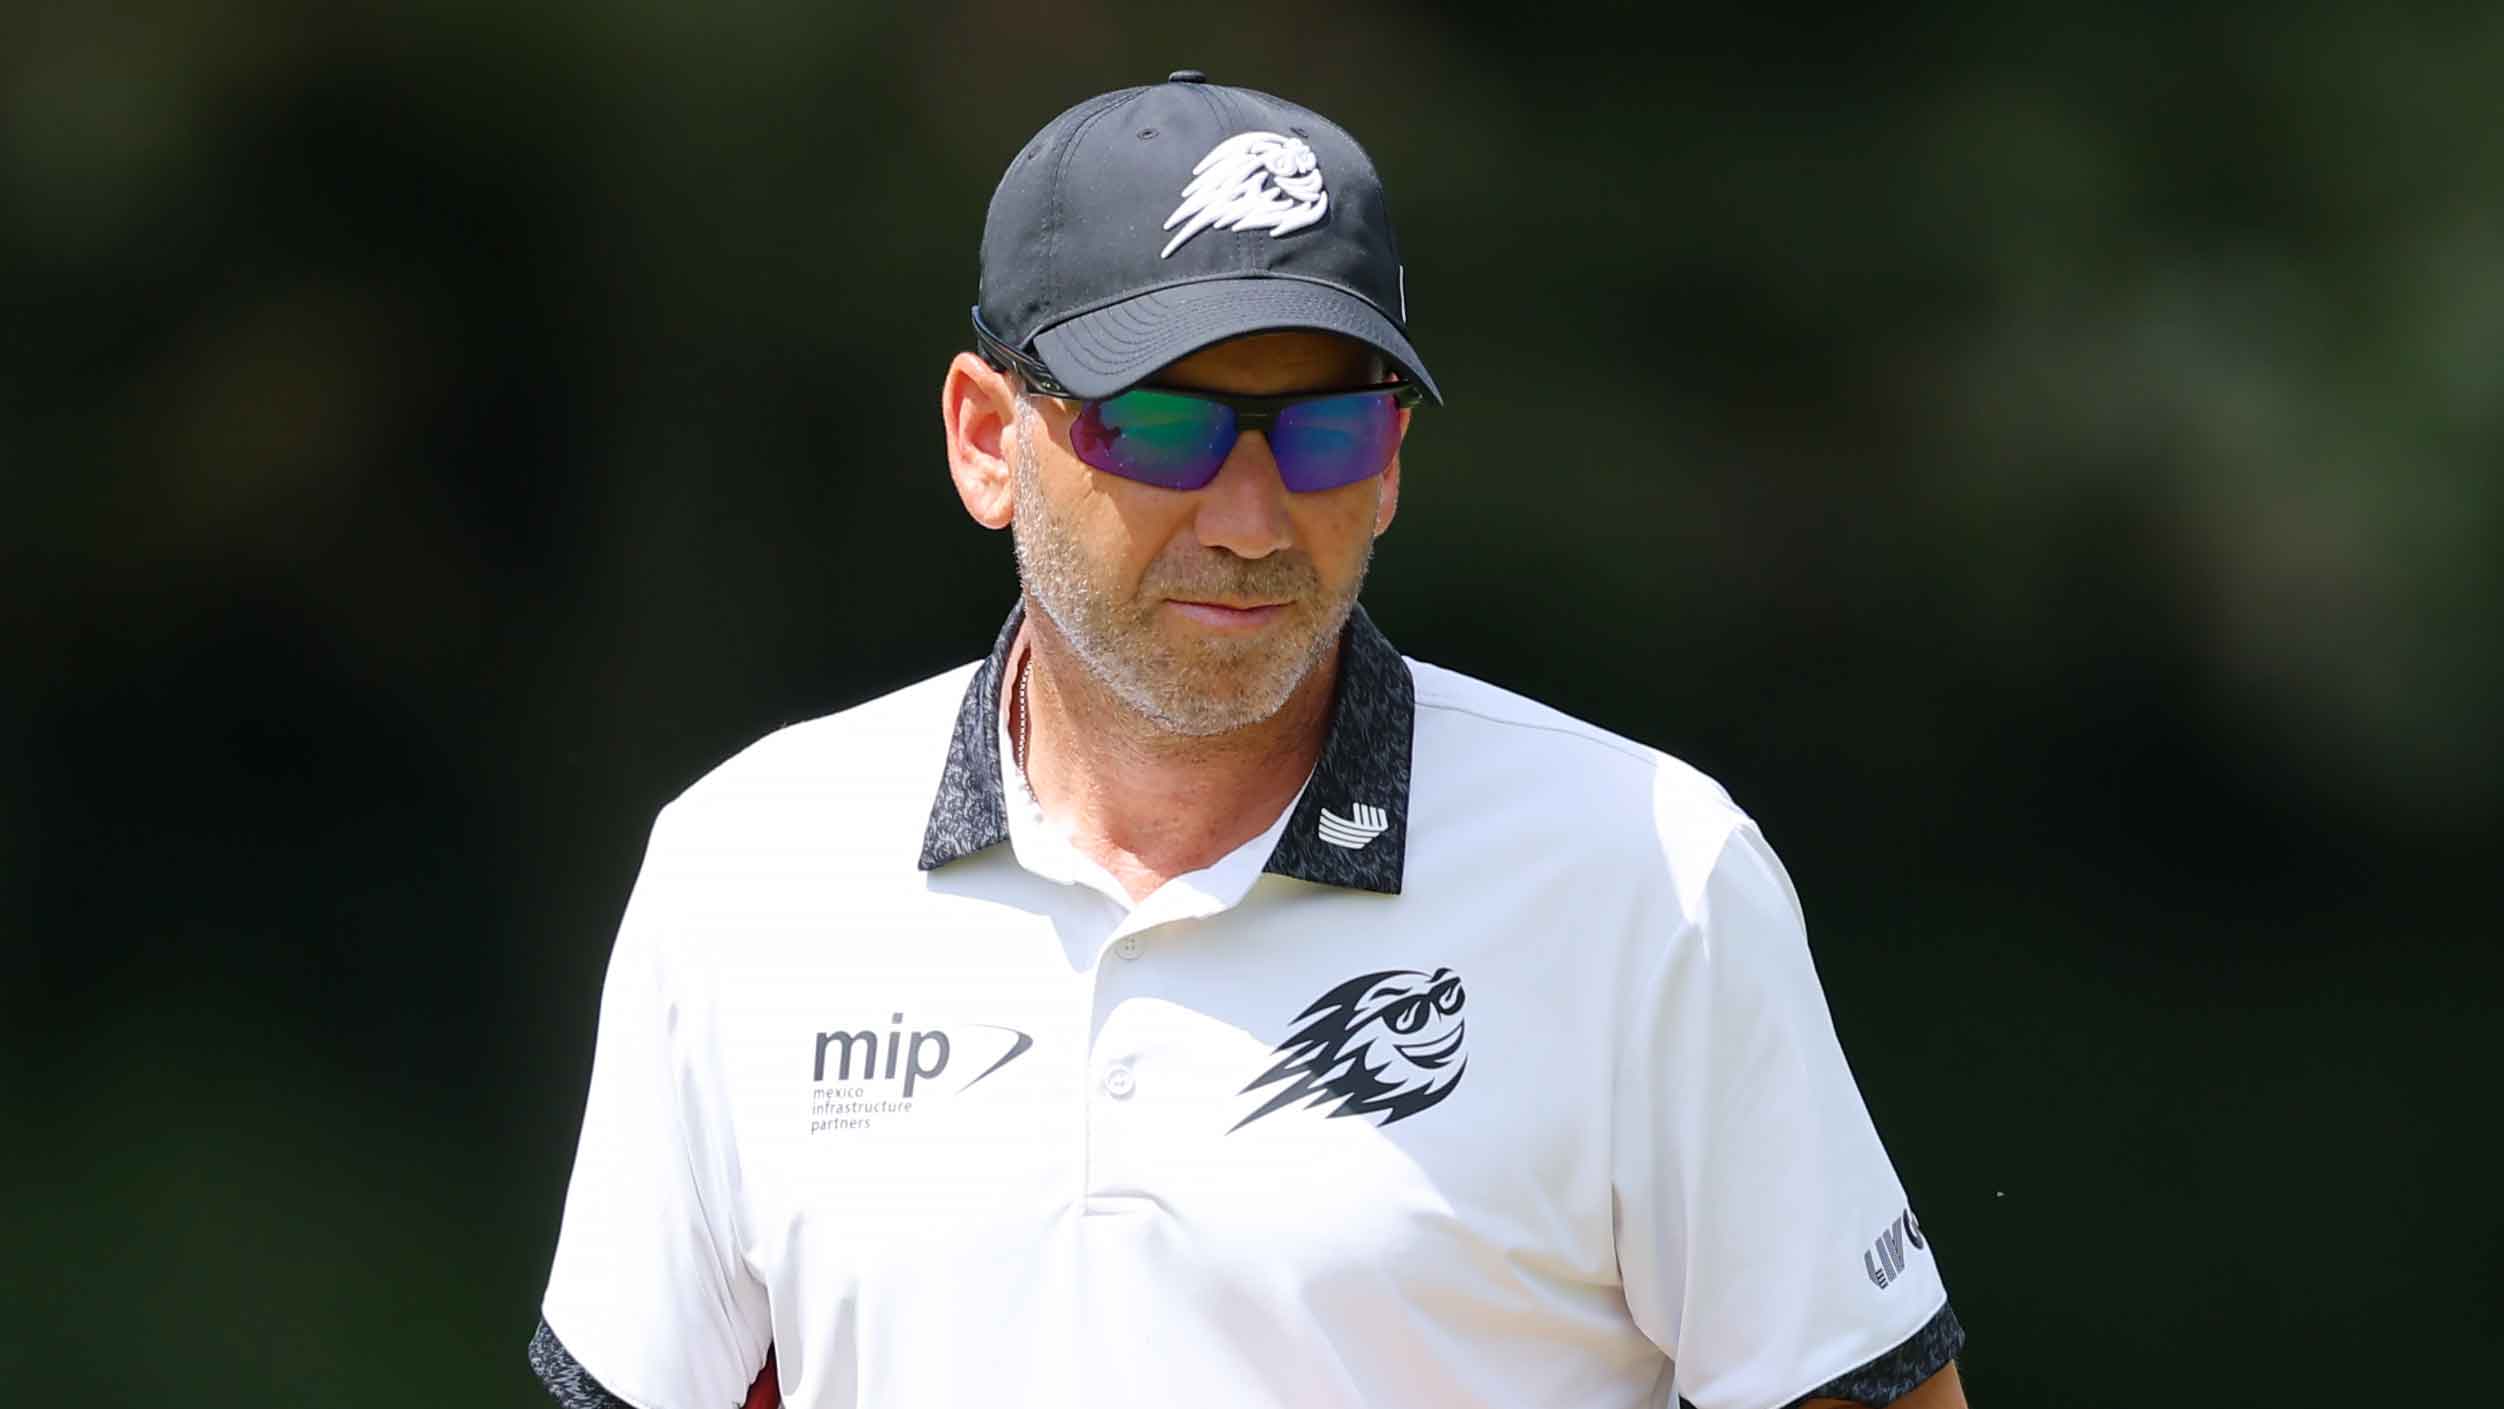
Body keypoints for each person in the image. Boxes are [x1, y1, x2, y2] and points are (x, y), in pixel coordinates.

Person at [528, 72, 1967, 1409]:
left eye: (1328, 430)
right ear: (986, 439)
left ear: (1391, 462)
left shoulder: (1651, 874)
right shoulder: (746, 870)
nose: (1250, 517)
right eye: (1160, 425)